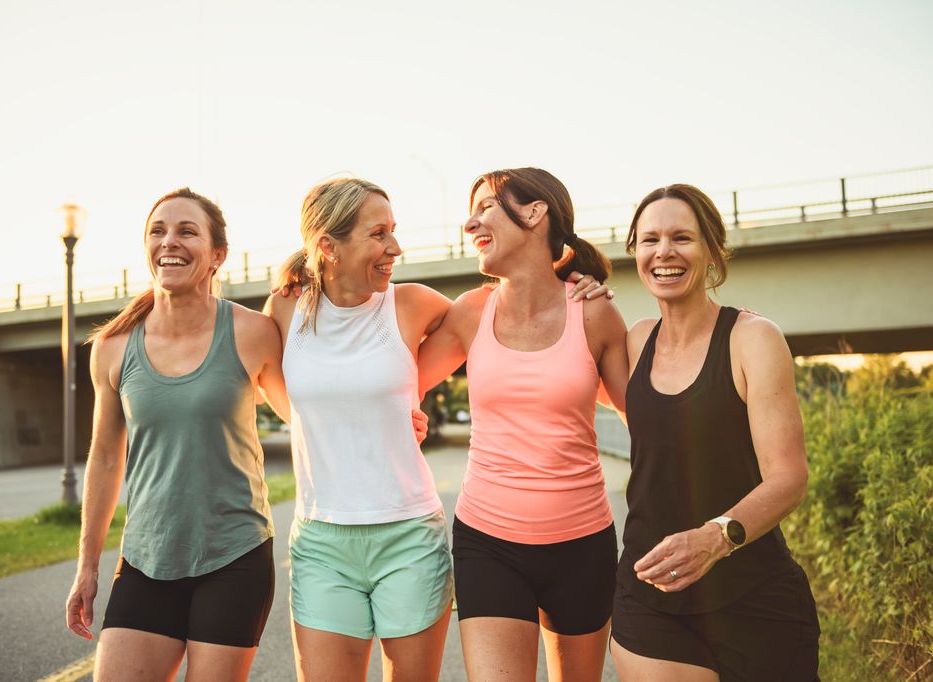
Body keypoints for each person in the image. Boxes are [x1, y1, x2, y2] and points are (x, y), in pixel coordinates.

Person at [266, 176, 610, 682]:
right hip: (327, 539)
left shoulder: (417, 304)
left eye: (393, 231)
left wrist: (577, 284)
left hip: (413, 531)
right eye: (378, 233)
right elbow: (289, 397)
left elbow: (504, 338)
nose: (394, 248)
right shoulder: (284, 309)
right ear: (327, 246)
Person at [64, 188, 290, 681]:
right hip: (146, 558)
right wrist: (87, 567)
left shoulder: (253, 332)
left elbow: (304, 414)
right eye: (158, 231)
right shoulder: (112, 348)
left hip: (235, 556)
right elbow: (104, 459)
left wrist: (397, 412)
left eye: (188, 231)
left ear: (217, 255)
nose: (171, 241)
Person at [416, 167, 628, 681]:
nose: (471, 223)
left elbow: (645, 416)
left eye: (485, 205)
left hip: (583, 545)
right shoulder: (471, 313)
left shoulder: (594, 314)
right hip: (488, 543)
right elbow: (397, 379)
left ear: (535, 213)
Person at [609, 184, 820, 681]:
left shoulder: (752, 339)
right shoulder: (636, 340)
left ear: (711, 251)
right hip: (649, 593)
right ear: (635, 252)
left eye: (682, 237)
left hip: (753, 596)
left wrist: (715, 538)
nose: (664, 252)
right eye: (649, 239)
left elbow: (789, 477)